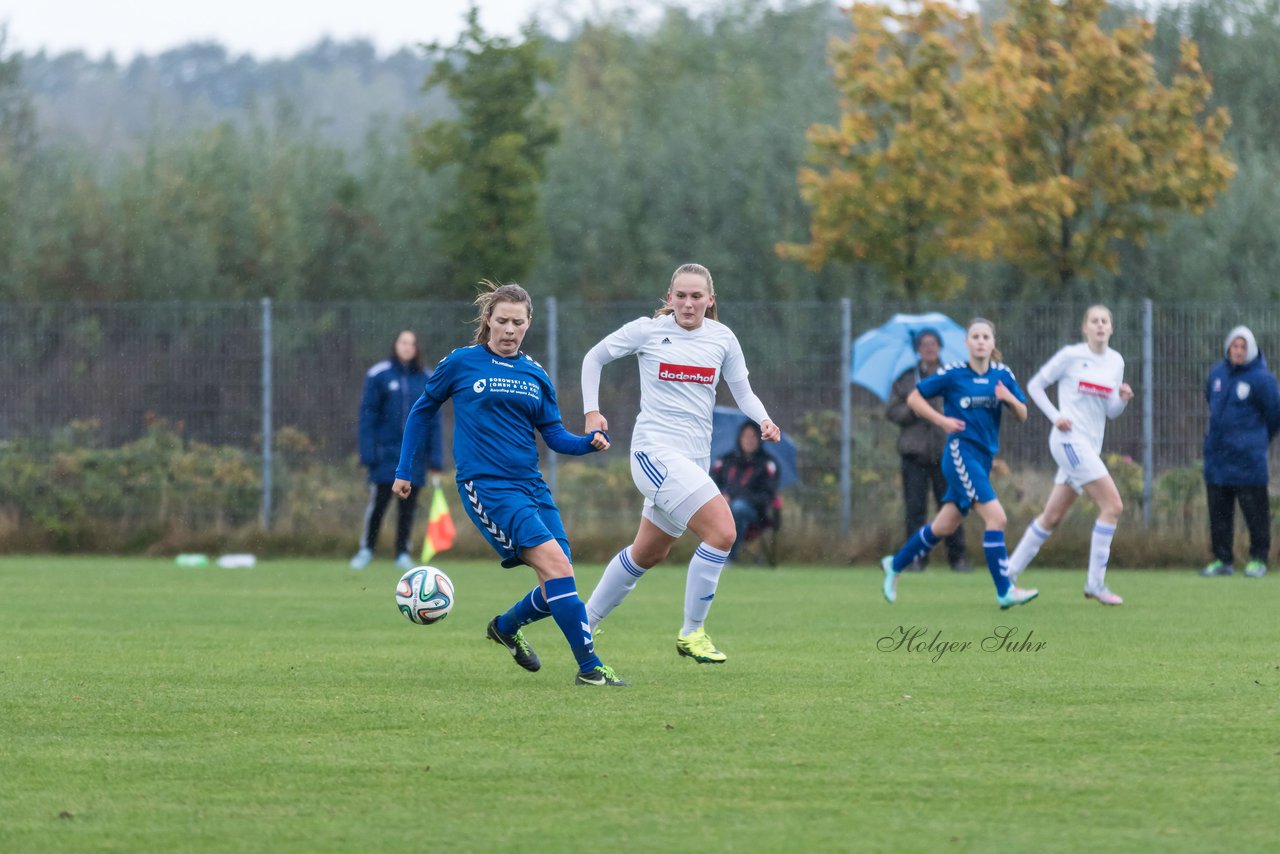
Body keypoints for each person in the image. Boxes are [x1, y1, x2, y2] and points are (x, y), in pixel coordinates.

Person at [393, 281, 628, 687]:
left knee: (559, 575)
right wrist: (404, 469)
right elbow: (422, 409)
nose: (508, 330)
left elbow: (554, 437)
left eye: (517, 323)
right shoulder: (462, 363)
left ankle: (505, 626)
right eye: (501, 321)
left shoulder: (535, 375)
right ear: (488, 321)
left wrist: (588, 444)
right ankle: (591, 669)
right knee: (556, 568)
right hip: (488, 487)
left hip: (532, 487)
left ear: (528, 324)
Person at [581, 262, 780, 665]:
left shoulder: (722, 338)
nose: (688, 304)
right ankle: (692, 632)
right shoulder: (648, 331)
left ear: (711, 300)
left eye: (696, 296)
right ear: (668, 299)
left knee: (647, 553)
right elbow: (593, 358)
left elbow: (743, 391)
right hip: (654, 453)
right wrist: (591, 412)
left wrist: (762, 418)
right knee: (723, 532)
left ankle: (581, 622)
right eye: (681, 296)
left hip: (692, 461)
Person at [880, 317, 1038, 609]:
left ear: (993, 343)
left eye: (985, 337)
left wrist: (1010, 400)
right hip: (960, 456)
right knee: (997, 518)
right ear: (966, 343)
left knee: (944, 525)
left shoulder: (1002, 375)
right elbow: (914, 399)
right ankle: (1005, 590)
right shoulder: (952, 374)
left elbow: (1022, 414)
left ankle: (896, 564)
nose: (980, 341)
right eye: (975, 337)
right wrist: (941, 421)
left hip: (982, 459)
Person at [1004, 306, 1133, 604]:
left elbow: (1111, 411)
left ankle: (1007, 574)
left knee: (1052, 516)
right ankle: (1095, 584)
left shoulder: (1116, 361)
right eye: (1094, 321)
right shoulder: (1071, 356)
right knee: (1113, 506)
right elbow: (1035, 385)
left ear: (1111, 329)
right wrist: (1054, 416)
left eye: (1105, 321)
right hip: (1068, 442)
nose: (1100, 325)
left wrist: (1122, 400)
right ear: (1084, 328)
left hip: (1089, 446)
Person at [351, 330, 444, 571]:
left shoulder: (427, 378)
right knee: (379, 504)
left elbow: (434, 421)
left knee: (408, 508)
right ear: (395, 345)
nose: (407, 347)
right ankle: (366, 550)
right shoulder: (379, 375)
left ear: (417, 348)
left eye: (412, 343)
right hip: (385, 456)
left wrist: (436, 457)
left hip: (416, 458)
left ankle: (402, 552)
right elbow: (367, 417)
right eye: (403, 342)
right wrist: (368, 452)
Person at [1199, 325, 1280, 578]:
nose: (1239, 351)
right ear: (1228, 348)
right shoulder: (1217, 374)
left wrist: (1257, 440)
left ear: (1252, 349)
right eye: (1235, 346)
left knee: (1256, 513)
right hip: (1218, 459)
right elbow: (1209, 400)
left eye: (1243, 347)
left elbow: (1275, 414)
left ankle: (1258, 559)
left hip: (1248, 461)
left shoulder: (1262, 379)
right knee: (1219, 512)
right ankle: (1222, 560)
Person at [886, 328, 969, 572]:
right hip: (914, 454)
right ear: (917, 349)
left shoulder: (952, 376)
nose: (929, 348)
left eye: (933, 344)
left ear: (940, 347)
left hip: (946, 453)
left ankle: (958, 558)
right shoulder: (906, 379)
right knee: (915, 510)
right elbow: (892, 411)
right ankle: (916, 558)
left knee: (953, 506)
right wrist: (916, 409)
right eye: (924, 344)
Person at [711, 420, 779, 563]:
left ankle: (727, 558)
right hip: (721, 509)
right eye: (746, 436)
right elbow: (711, 483)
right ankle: (710, 555)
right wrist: (721, 496)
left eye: (753, 436)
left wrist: (735, 498)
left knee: (738, 508)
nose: (749, 440)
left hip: (754, 515)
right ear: (739, 438)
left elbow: (767, 496)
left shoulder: (767, 464)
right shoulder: (725, 460)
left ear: (760, 439)